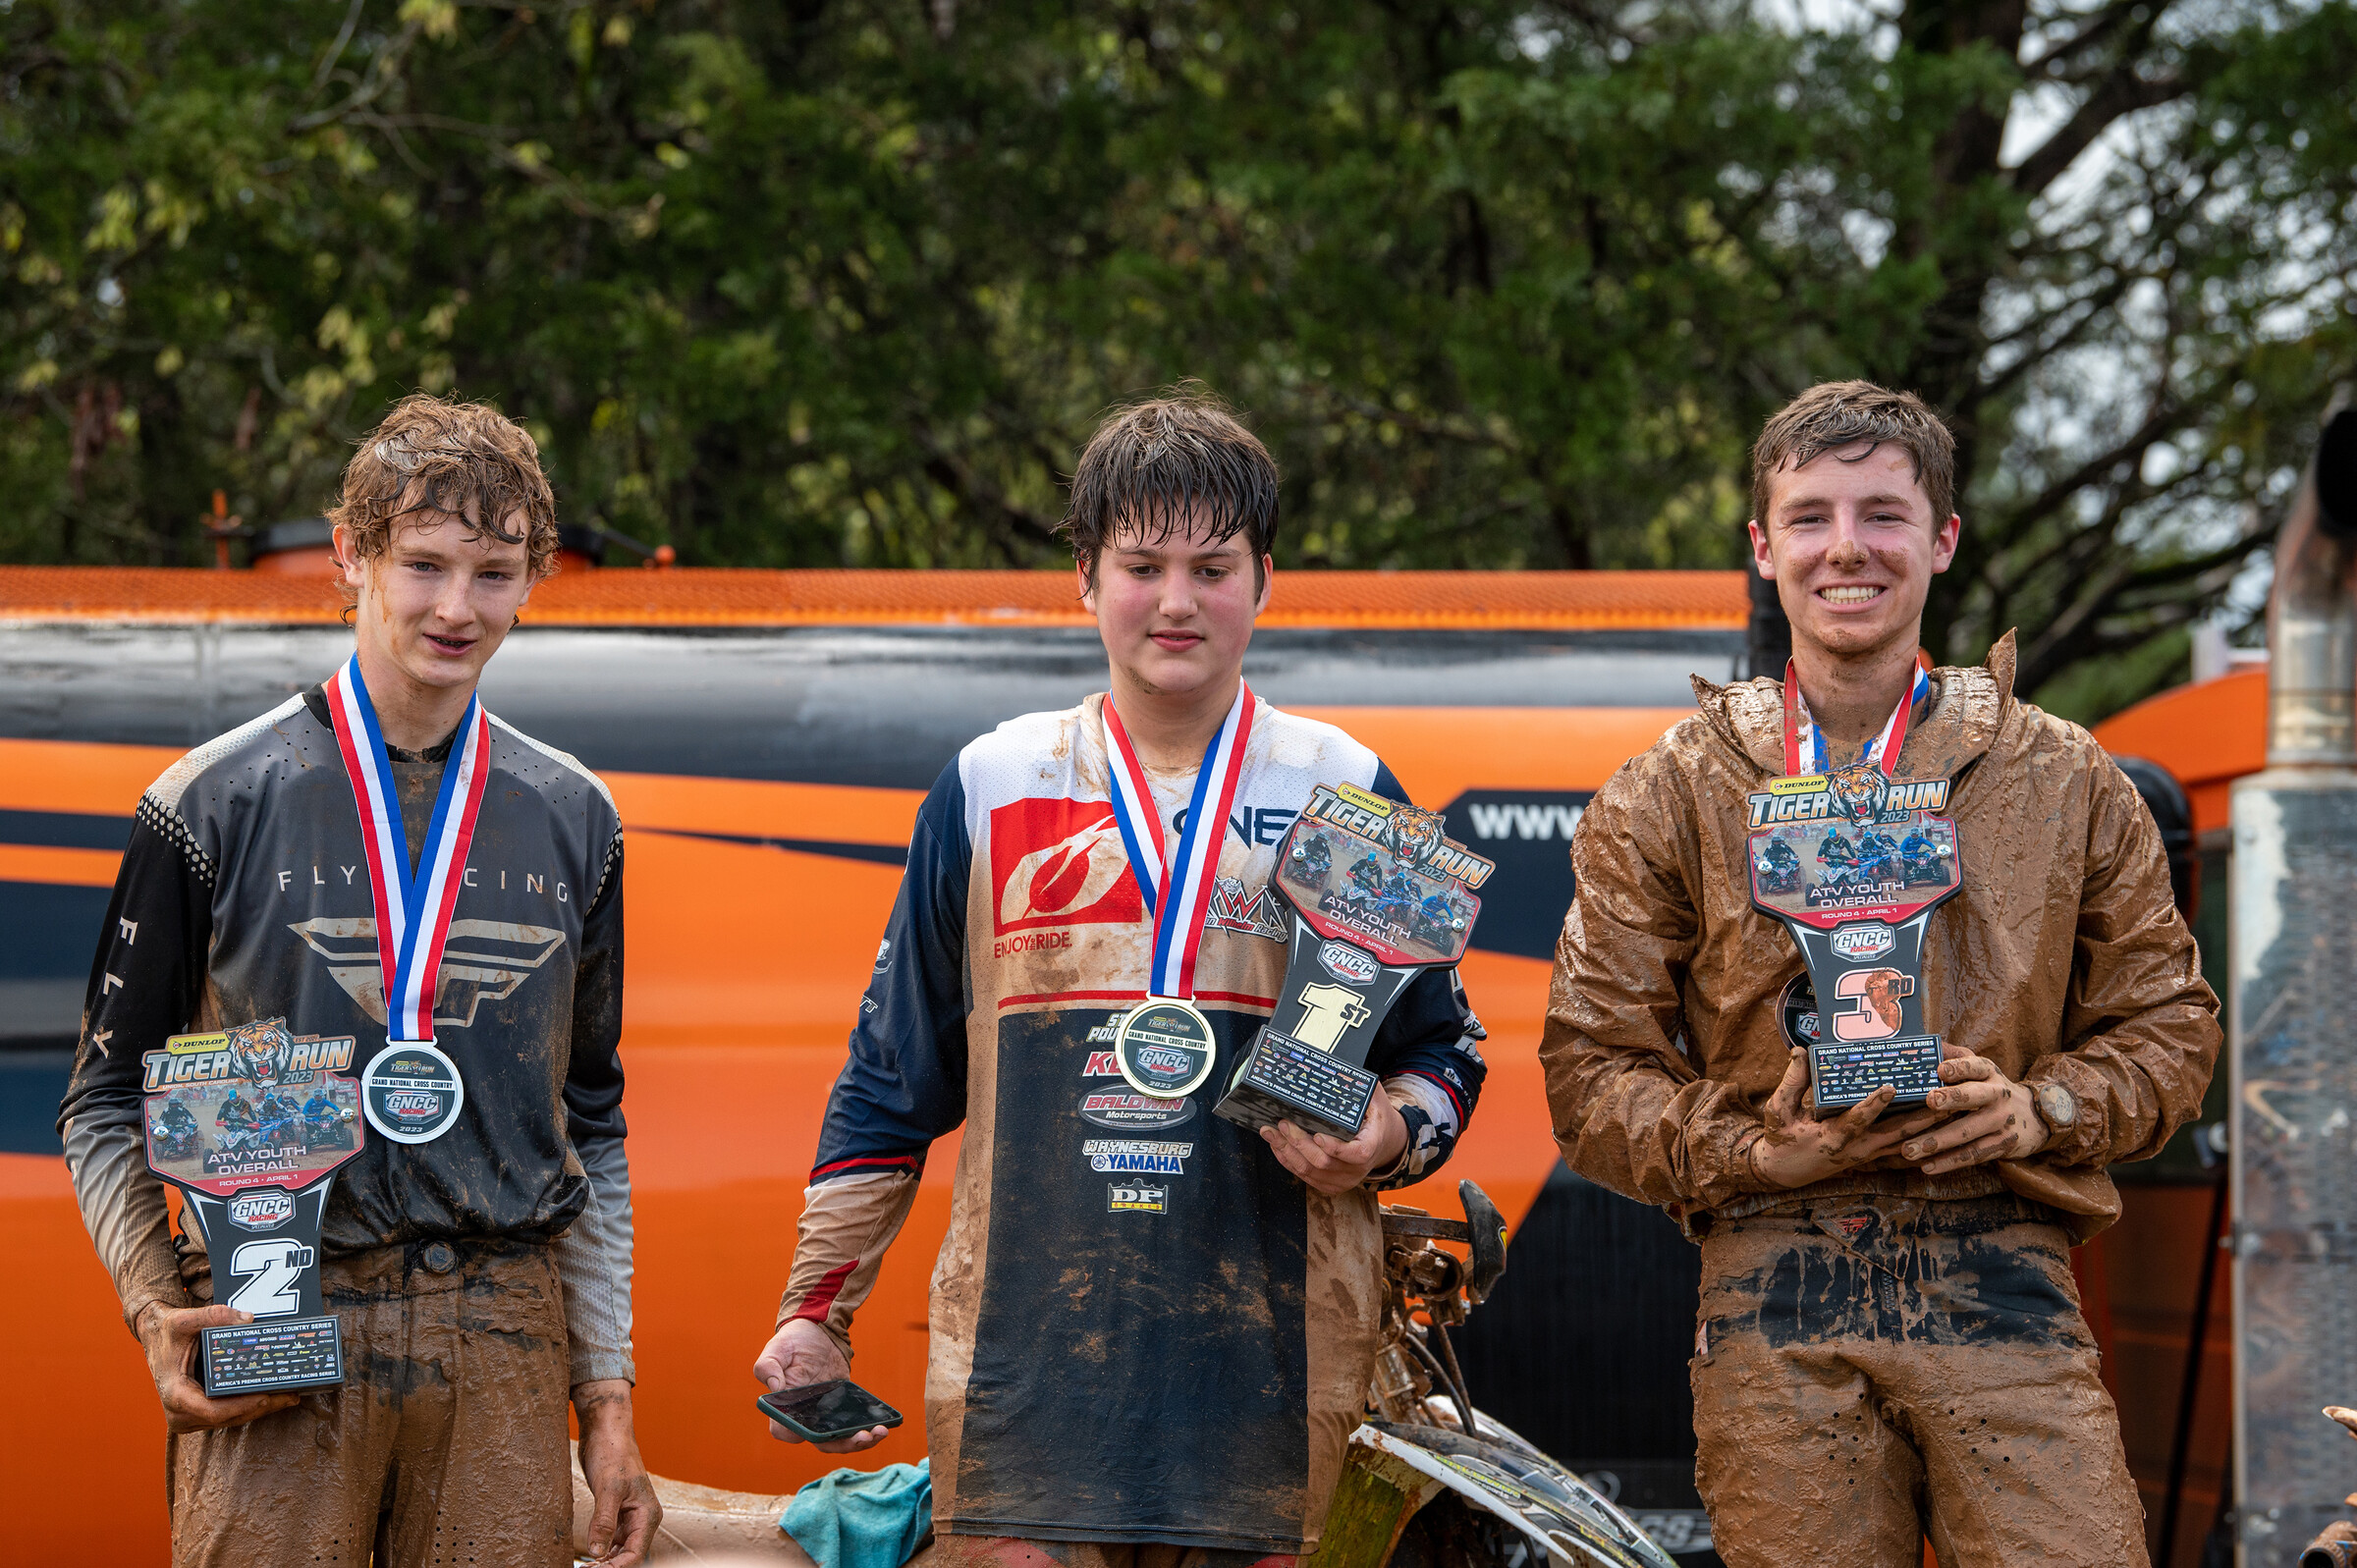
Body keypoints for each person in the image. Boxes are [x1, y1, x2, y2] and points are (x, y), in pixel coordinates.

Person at [751, 389, 1488, 1566]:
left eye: (1214, 567)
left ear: (1263, 582)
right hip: (1028, 1369)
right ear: (1086, 577)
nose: (1178, 600)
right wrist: (813, 1309)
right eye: (1144, 566)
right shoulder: (992, 783)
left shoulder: (1344, 784)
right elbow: (892, 1082)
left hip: (1283, 1369)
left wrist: (1386, 1135)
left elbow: (1445, 1052)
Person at [1541, 380, 2220, 1567]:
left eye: (1883, 514)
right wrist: (1756, 1150)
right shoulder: (1671, 790)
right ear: (1763, 548)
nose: (1846, 547)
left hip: (2002, 1251)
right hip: (1775, 1266)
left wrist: (2039, 1108)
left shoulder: (2065, 777)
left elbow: (2171, 1028)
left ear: (1943, 539)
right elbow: (1589, 1070)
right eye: (1809, 517)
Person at [58, 394, 659, 1567]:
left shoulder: (576, 817)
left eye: (493, 574)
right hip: (277, 1307)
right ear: (351, 555)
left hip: (502, 1332)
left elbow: (592, 1121)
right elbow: (103, 1098)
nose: (456, 608)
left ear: (532, 581)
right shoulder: (209, 801)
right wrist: (154, 1303)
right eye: (424, 564)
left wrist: (608, 1393)